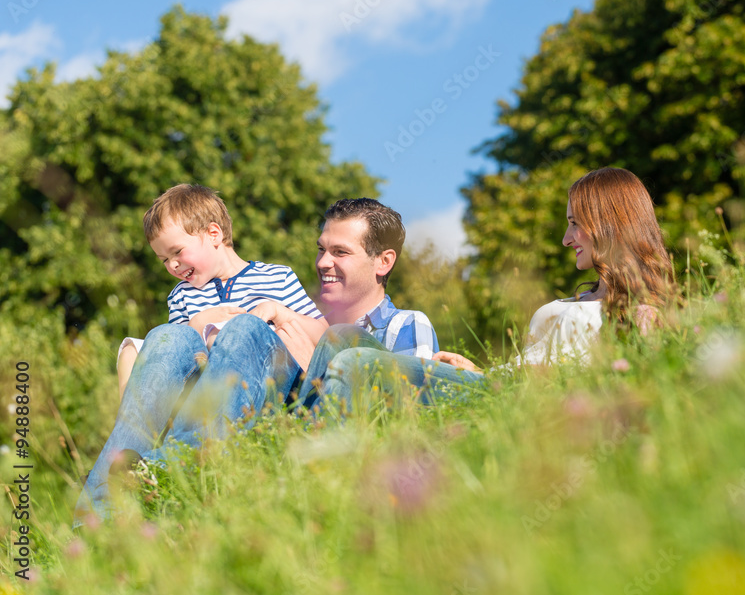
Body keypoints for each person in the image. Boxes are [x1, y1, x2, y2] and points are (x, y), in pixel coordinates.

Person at [75, 198, 437, 523]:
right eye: (321, 250)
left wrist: (280, 320)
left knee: (246, 328)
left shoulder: (401, 324)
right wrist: (156, 343)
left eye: (339, 252)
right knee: (162, 337)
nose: (322, 262)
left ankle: (176, 465)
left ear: (383, 261)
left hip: (287, 406)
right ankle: (96, 513)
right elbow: (167, 355)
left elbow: (415, 408)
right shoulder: (183, 296)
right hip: (216, 398)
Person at [309, 166, 676, 414]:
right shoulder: (582, 300)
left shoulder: (643, 315)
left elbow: (615, 389)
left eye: (574, 224)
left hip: (517, 402)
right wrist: (477, 370)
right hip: (491, 386)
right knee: (341, 336)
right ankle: (292, 436)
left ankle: (314, 461)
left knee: (360, 362)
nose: (566, 239)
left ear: (609, 224)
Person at [115, 184, 324, 398]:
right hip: (209, 387)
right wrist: (196, 325)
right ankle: (134, 420)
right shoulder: (181, 295)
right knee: (131, 351)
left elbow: (326, 336)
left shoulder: (276, 277)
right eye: (164, 260)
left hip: (273, 380)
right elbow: (174, 358)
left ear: (214, 234)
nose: (172, 265)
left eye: (177, 252)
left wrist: (280, 312)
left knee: (228, 335)